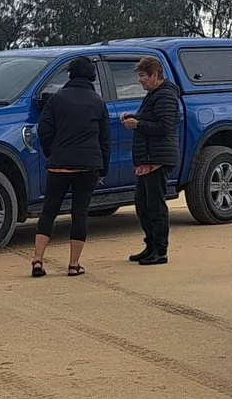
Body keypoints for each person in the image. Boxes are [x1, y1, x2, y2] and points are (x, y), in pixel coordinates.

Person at [32, 57, 107, 278]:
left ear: (70, 75)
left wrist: (52, 153)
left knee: (49, 211)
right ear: (92, 76)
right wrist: (103, 169)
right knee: (80, 213)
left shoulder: (56, 100)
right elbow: (105, 139)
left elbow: (43, 129)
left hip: (60, 165)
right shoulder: (98, 102)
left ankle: (38, 260)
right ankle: (74, 265)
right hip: (89, 165)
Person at [122, 56, 180, 265]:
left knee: (155, 206)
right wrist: (135, 119)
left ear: (155, 75)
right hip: (147, 157)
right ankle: (151, 245)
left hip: (158, 157)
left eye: (143, 77)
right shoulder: (153, 95)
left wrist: (137, 125)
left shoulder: (165, 96)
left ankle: (160, 250)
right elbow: (152, 120)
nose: (141, 81)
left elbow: (164, 127)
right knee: (143, 205)